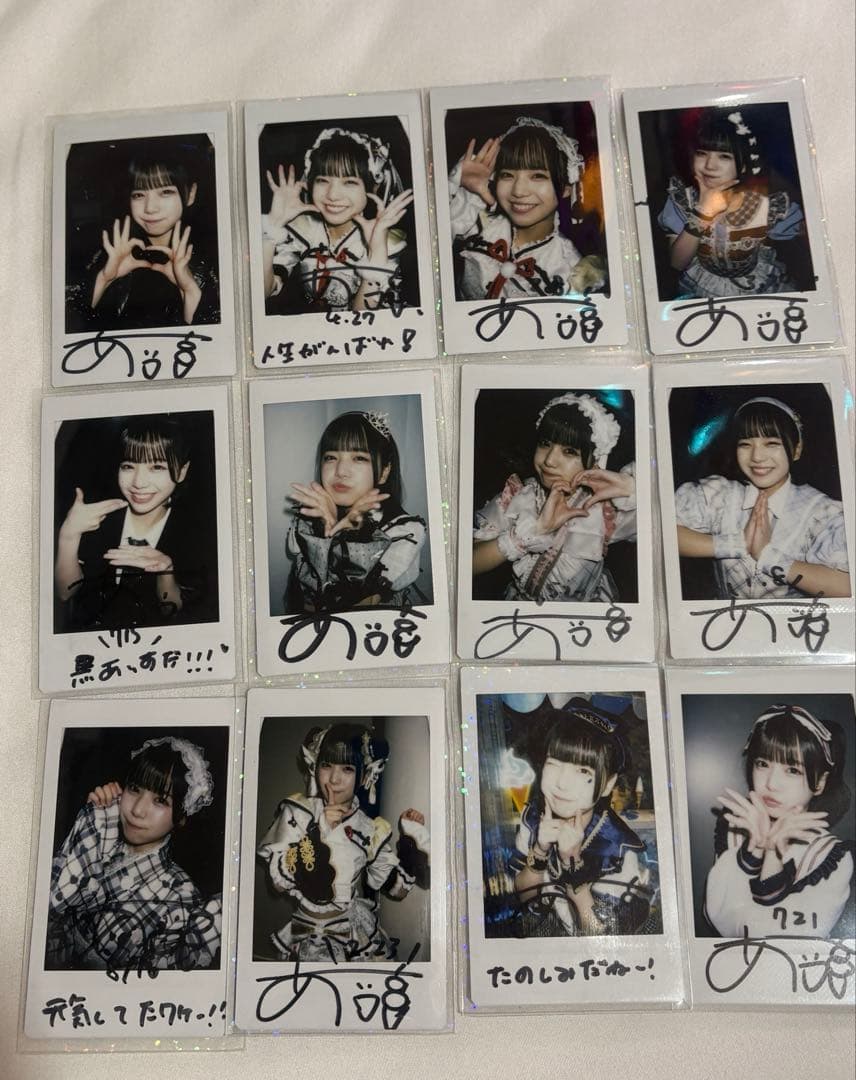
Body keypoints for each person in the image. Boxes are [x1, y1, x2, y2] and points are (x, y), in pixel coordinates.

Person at [46, 736, 222, 971]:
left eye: (160, 800)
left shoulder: (182, 897)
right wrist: (89, 827)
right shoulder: (102, 837)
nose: (137, 810)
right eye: (134, 788)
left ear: (181, 816)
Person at [257, 723, 430, 961]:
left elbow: (396, 889)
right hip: (304, 934)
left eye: (347, 769)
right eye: (326, 765)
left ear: (364, 776)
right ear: (315, 766)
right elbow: (279, 884)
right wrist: (321, 831)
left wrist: (411, 840)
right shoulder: (298, 812)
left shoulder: (370, 828)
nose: (334, 779)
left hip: (354, 932)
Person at [675, 396, 850, 600]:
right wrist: (737, 544)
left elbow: (846, 586)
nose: (757, 457)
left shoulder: (820, 511)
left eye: (771, 443)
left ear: (796, 449)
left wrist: (768, 556)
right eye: (745, 444)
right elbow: (662, 535)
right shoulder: (721, 495)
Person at [54, 415, 217, 631]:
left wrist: (165, 573)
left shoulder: (199, 533)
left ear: (182, 471)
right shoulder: (98, 518)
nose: (138, 483)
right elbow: (66, 593)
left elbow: (173, 611)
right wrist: (69, 535)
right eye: (128, 466)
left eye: (157, 467)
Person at [706, 703, 853, 938]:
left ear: (820, 782)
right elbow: (718, 918)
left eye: (792, 770)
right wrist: (754, 850)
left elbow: (780, 942)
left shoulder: (830, 857)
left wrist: (773, 855)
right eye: (762, 764)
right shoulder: (735, 828)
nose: (771, 784)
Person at [472, 392, 636, 602]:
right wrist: (530, 533)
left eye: (569, 451)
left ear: (595, 461)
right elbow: (468, 564)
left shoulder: (606, 509)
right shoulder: (518, 496)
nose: (549, 460)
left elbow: (664, 529)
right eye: (545, 443)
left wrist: (631, 487)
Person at [512, 701, 653, 936]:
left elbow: (604, 939)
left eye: (583, 771)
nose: (561, 783)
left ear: (607, 785)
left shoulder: (619, 849)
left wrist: (573, 865)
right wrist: (540, 849)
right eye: (554, 763)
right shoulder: (534, 817)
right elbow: (524, 898)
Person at [448, 115, 606, 300]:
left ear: (565, 188)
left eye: (538, 176)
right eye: (507, 175)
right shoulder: (475, 222)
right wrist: (460, 187)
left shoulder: (570, 269)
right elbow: (431, 247)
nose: (519, 191)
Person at [285, 409, 426, 612]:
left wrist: (343, 528)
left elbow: (353, 602)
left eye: (359, 458)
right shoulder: (310, 515)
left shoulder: (405, 530)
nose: (341, 471)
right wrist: (325, 524)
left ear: (384, 472)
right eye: (331, 457)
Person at [657, 108, 806, 299]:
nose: (710, 165)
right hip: (703, 285)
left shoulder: (764, 206)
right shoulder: (683, 200)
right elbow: (677, 263)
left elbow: (804, 245)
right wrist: (702, 212)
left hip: (757, 285)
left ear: (744, 165)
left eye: (724, 156)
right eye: (702, 153)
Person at [261, 127, 414, 312]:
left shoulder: (385, 241)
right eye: (322, 180)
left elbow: (364, 321)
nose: (332, 195)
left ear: (372, 188)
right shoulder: (304, 228)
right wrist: (272, 228)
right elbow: (263, 293)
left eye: (349, 182)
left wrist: (376, 256)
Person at [66, 148, 219, 330]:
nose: (150, 208)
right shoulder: (109, 253)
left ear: (191, 194)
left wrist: (190, 290)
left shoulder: (215, 257)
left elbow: (213, 339)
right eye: (139, 194)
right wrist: (103, 280)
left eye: (165, 192)